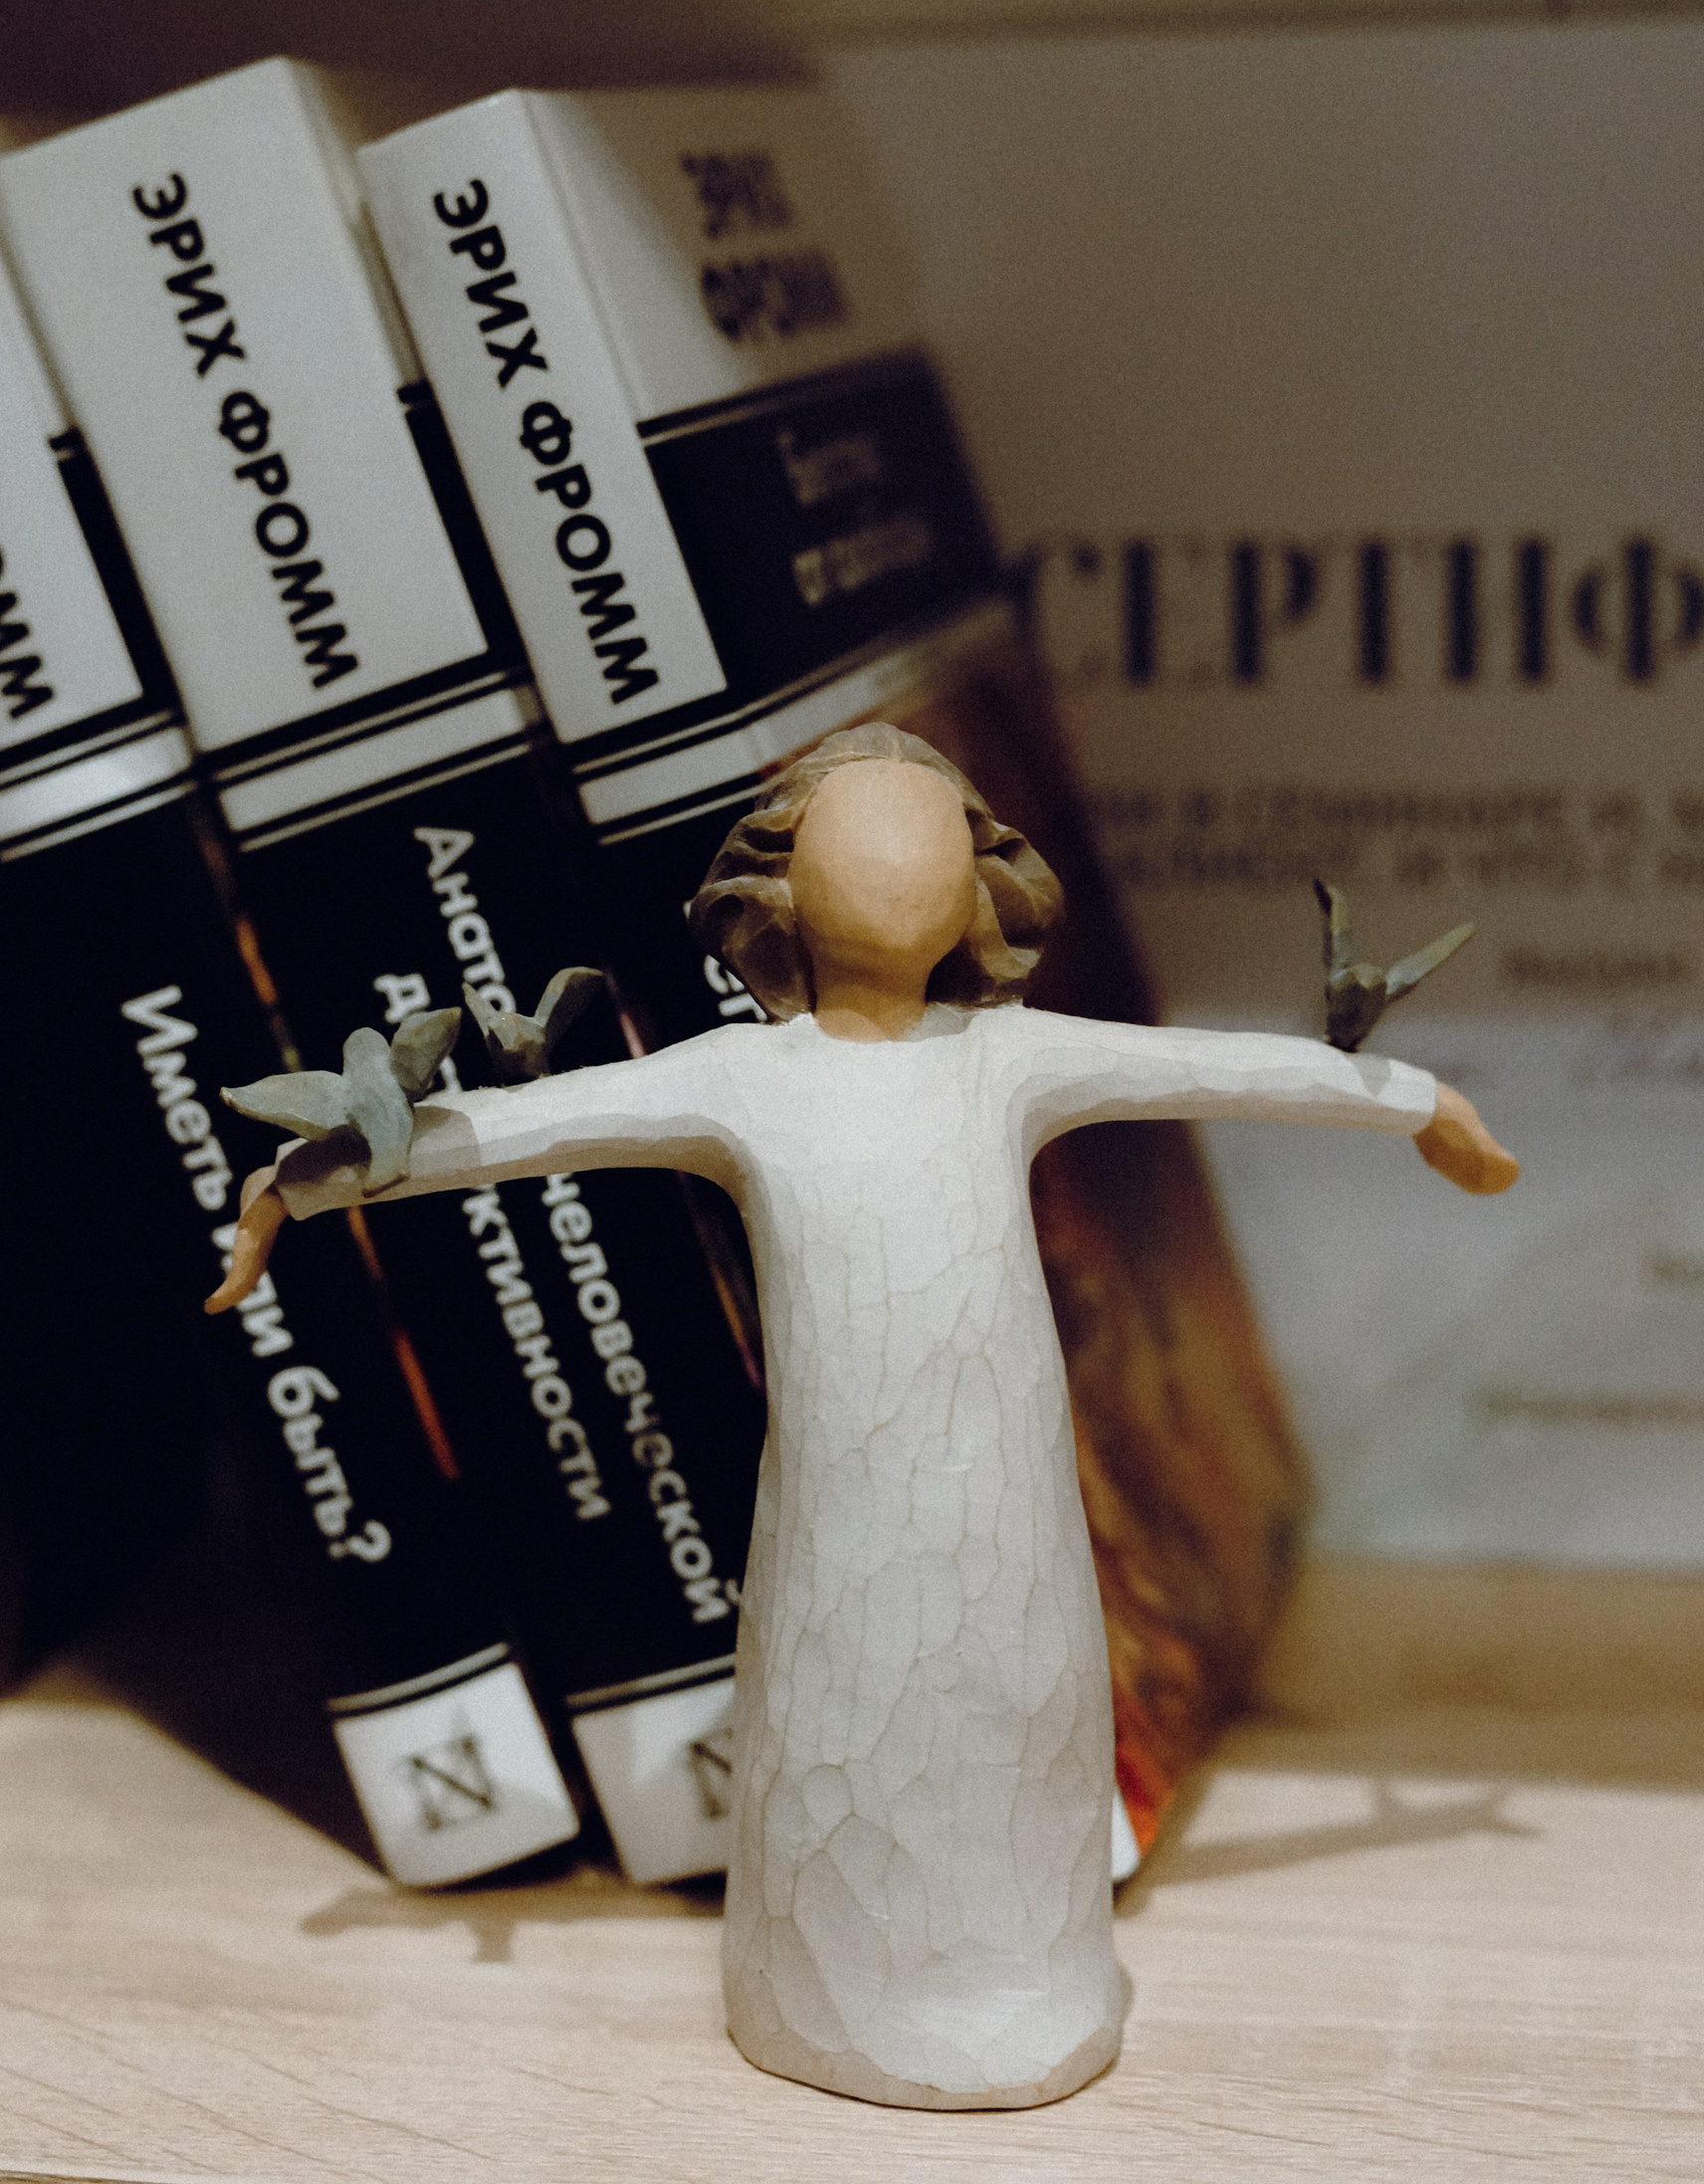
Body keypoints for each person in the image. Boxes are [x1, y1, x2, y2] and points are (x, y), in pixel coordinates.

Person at [209, 722, 1517, 2111]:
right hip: (841, 1518)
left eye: (930, 836)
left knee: (1017, 1711)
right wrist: (304, 1183)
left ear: (981, 889)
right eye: (860, 834)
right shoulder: (741, 1078)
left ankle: (1034, 1971)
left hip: (1010, 1506)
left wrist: (1418, 1101)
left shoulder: (1011, 1058)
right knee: (851, 1719)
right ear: (772, 890)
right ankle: (826, 1989)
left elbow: (1223, 1068)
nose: (899, 865)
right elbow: (519, 1129)